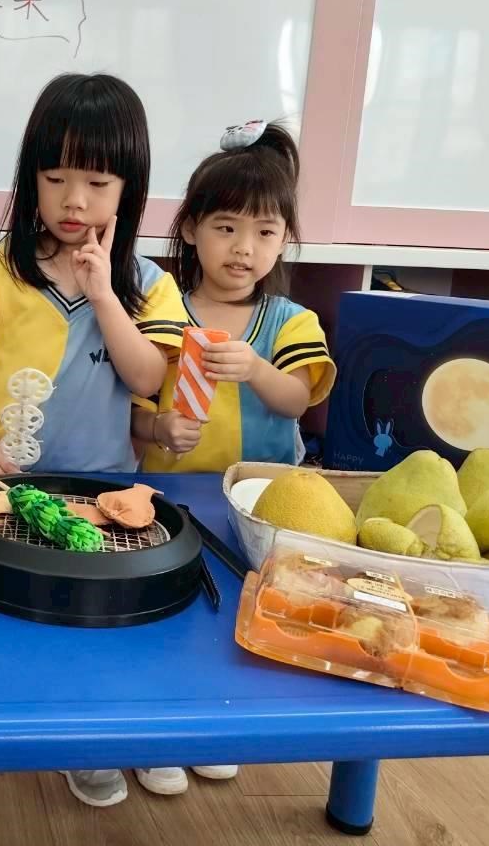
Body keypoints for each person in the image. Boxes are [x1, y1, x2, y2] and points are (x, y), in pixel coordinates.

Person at [0, 72, 188, 811]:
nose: (74, 200)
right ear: (31, 180)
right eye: (55, 179)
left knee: (89, 631)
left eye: (97, 183)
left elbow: (147, 374)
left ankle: (89, 741)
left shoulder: (146, 282)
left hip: (98, 492)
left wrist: (105, 293)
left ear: (128, 190)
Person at [129, 120, 336, 798]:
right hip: (169, 503)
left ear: (283, 240)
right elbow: (130, 409)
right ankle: (160, 733)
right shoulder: (160, 309)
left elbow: (298, 399)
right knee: (170, 621)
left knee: (242, 622)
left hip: (258, 509)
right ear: (190, 229)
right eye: (226, 228)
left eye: (265, 232)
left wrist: (255, 369)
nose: (245, 248)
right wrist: (158, 426)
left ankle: (216, 729)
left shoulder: (290, 321)